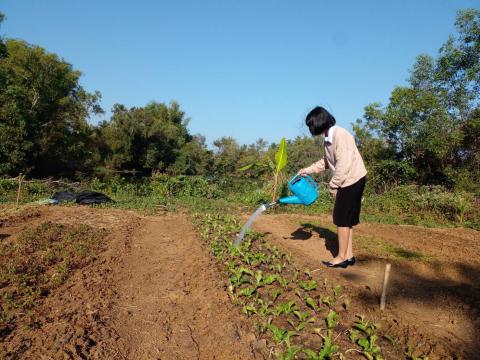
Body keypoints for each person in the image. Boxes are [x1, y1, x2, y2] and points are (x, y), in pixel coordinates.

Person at [298, 106, 367, 268]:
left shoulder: (340, 135)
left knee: (342, 219)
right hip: (348, 179)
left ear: (320, 121)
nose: (310, 128)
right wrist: (306, 170)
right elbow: (326, 162)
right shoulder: (328, 138)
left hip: (352, 179)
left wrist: (333, 186)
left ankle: (341, 257)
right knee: (347, 219)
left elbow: (344, 164)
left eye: (311, 124)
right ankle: (348, 256)